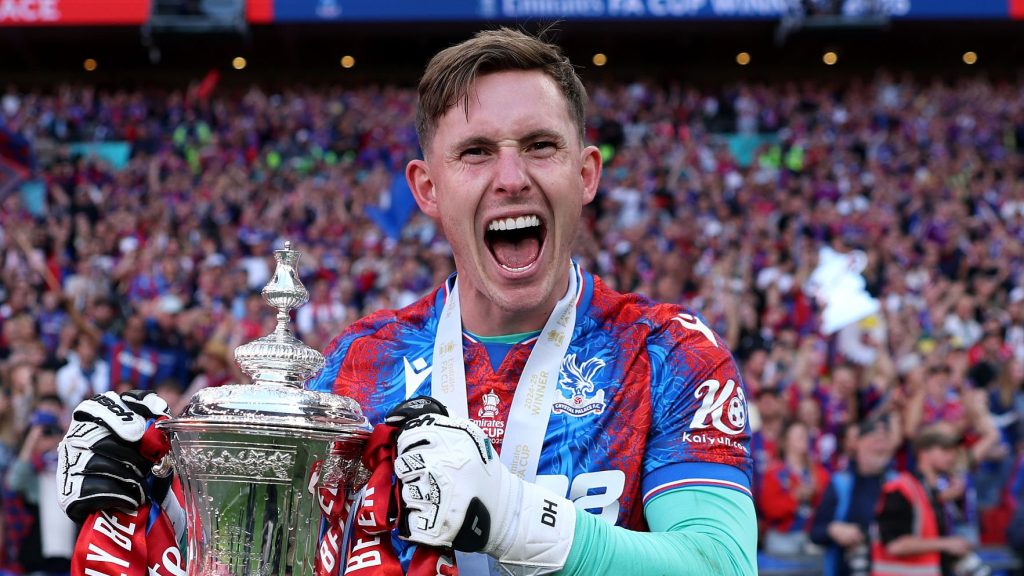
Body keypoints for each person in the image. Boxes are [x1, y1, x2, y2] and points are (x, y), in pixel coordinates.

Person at [56, 28, 757, 576]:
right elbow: (273, 551)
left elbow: (720, 564)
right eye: (476, 152)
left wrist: (514, 519)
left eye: (540, 146)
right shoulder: (361, 366)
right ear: (427, 188)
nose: (511, 177)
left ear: (586, 173)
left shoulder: (671, 354)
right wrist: (142, 497)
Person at [872, 423, 989, 576]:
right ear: (924, 453)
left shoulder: (934, 493)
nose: (952, 456)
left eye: (954, 450)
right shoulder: (900, 489)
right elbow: (894, 545)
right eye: (945, 450)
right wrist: (946, 544)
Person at [810, 415, 898, 576]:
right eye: (875, 439)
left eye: (885, 440)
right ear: (858, 443)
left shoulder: (899, 483)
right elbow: (816, 532)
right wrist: (834, 530)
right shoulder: (840, 483)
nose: (881, 446)